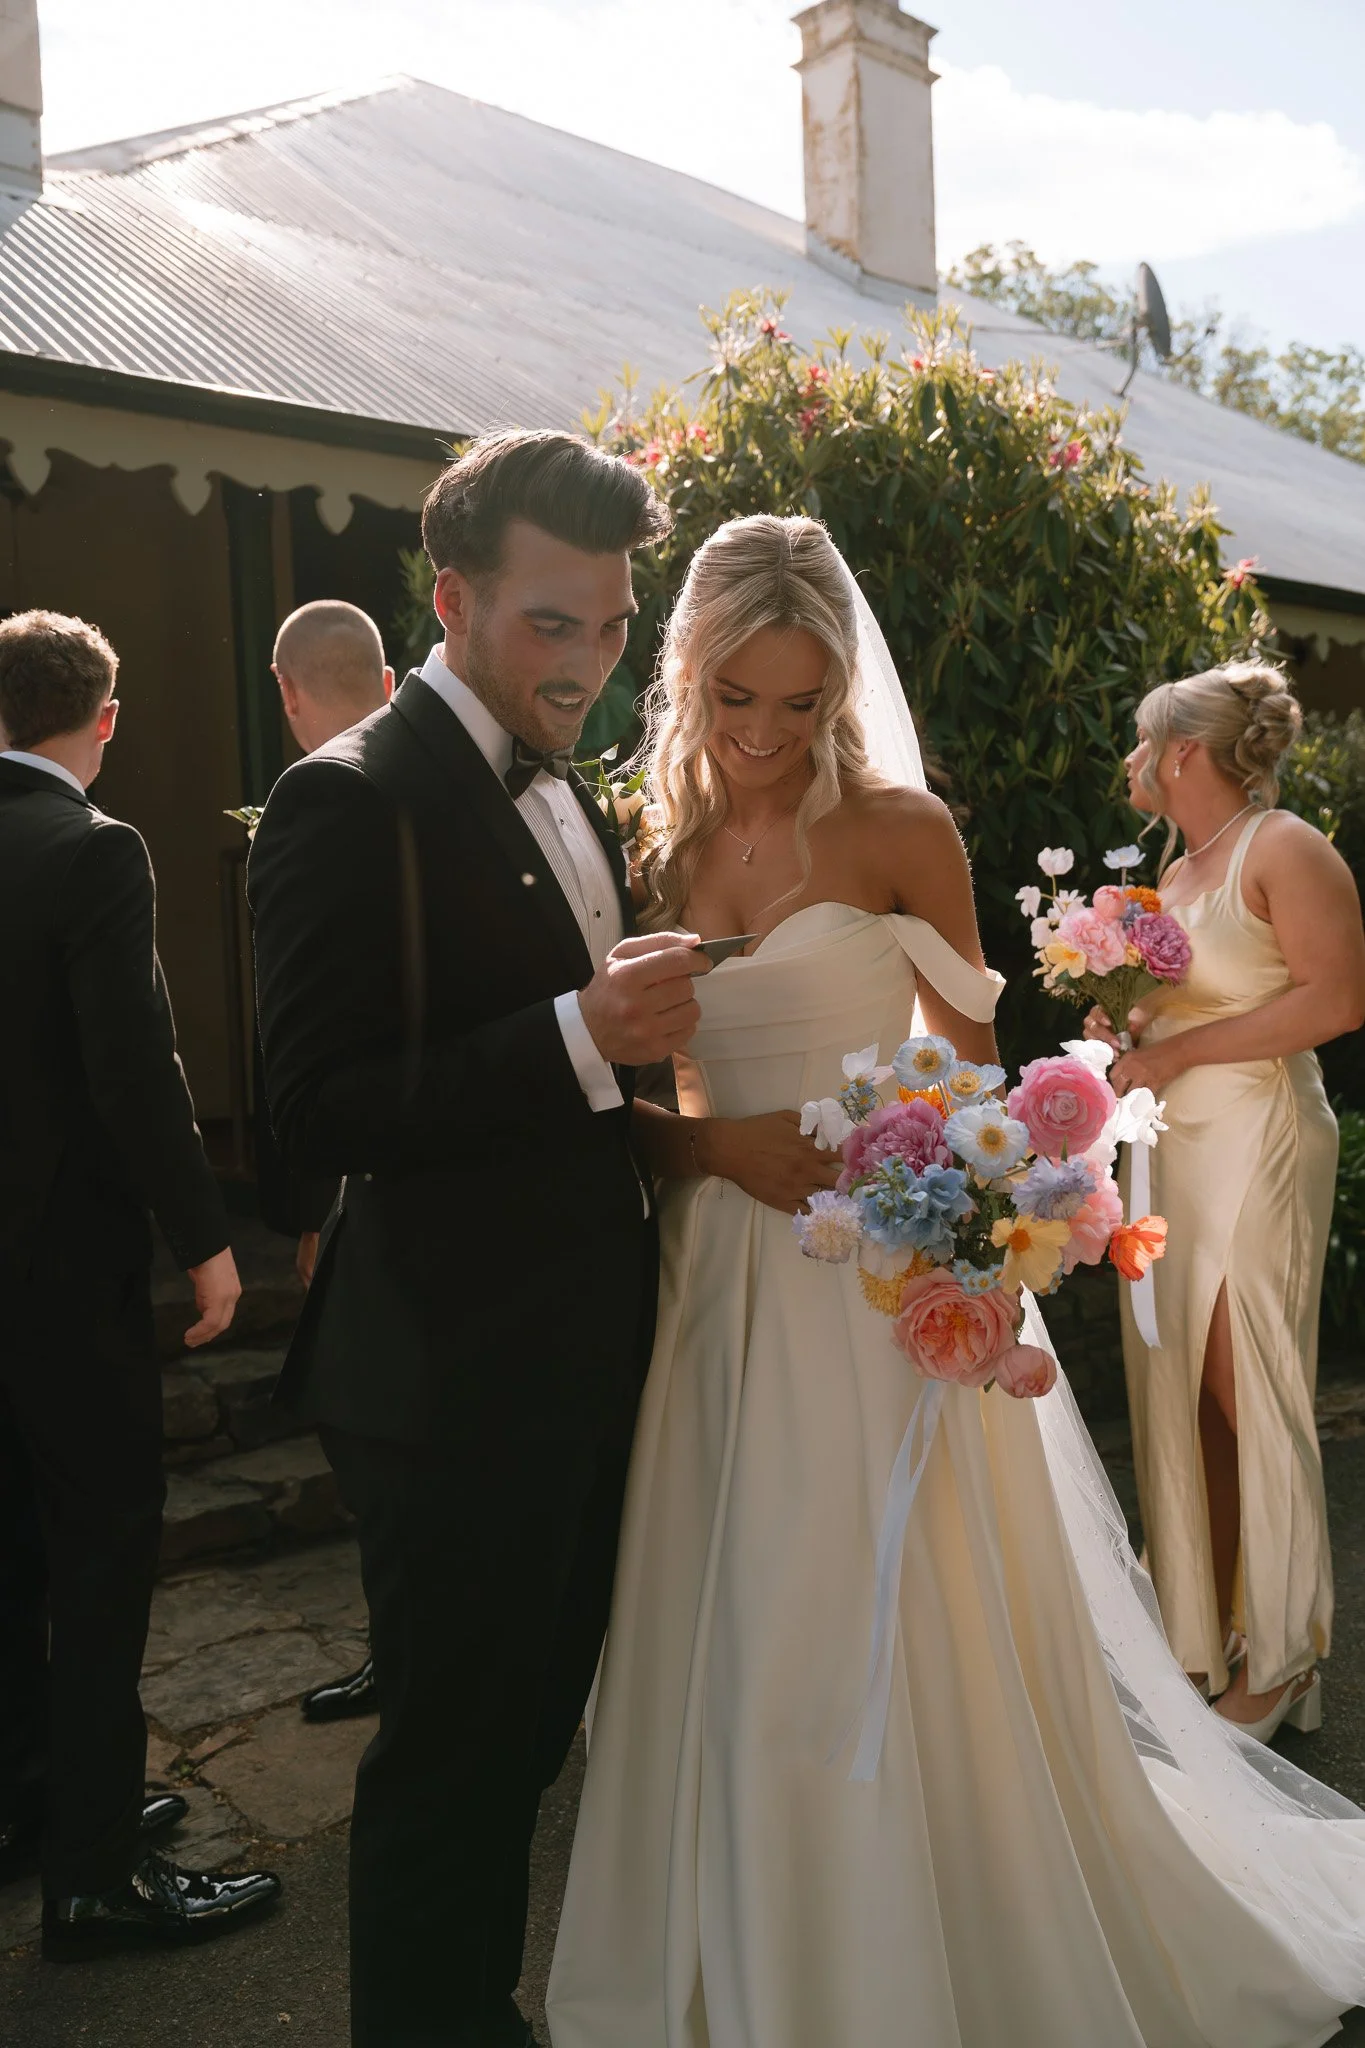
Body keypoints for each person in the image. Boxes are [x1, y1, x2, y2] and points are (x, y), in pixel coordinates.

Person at [547, 519, 1365, 2048]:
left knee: (880, 1604)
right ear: (689, 678)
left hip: (874, 1274)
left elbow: (973, 1076)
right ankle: (750, 1951)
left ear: (838, 689)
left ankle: (931, 1937)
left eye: (800, 705)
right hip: (714, 1280)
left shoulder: (900, 828)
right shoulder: (641, 846)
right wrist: (708, 1150)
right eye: (739, 702)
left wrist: (960, 1230)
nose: (769, 739)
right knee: (725, 1610)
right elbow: (629, 1102)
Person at [249, 431, 699, 2048]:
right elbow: (309, 1113)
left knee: (513, 1750)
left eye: (611, 622)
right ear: (450, 600)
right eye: (549, 624)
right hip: (444, 1376)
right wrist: (582, 1027)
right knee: (449, 1759)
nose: (587, 661)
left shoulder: (568, 782)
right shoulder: (343, 795)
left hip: (570, 1360)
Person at [0, 610, 281, 1959]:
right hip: (65, 1276)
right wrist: (206, 1235)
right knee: (104, 1553)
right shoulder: (94, 848)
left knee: (7, 1551)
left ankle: (36, 1803)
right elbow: (132, 1065)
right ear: (102, 721)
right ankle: (97, 1876)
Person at [1094, 666, 1365, 1742]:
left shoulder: (1285, 845)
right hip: (1177, 1149)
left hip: (1257, 1136)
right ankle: (1202, 1632)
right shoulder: (1180, 862)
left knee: (1248, 1383)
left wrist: (1181, 1051)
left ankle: (1288, 1654)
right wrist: (1126, 1032)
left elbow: (1337, 999)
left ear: (1182, 755)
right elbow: (1184, 998)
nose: (1130, 760)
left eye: (1140, 741)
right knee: (1185, 1388)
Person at [268, 599, 395, 1727]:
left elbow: (307, 1054)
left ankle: (399, 1642)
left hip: (377, 1188)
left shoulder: (318, 803)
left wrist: (309, 1209)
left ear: (287, 692)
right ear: (391, 678)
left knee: (370, 1422)